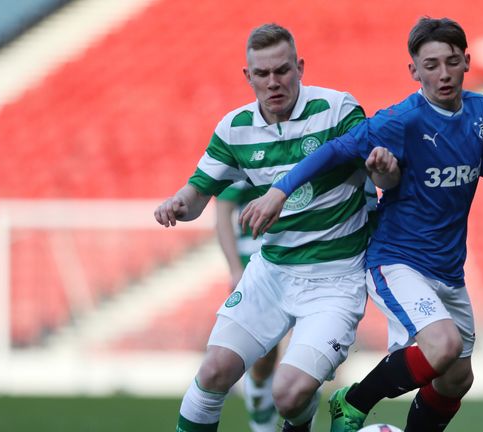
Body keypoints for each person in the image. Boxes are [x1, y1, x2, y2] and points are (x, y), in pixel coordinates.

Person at [239, 17, 483, 432]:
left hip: (449, 269)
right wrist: (280, 190)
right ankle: (353, 401)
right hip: (397, 260)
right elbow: (334, 151)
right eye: (431, 64)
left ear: (467, 62)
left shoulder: (482, 113)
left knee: (457, 378)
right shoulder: (402, 120)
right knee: (444, 348)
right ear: (414, 71)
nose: (443, 74)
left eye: (451, 62)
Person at [154, 23, 399, 432]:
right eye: (262, 74)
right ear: (247, 76)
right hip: (271, 273)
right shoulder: (234, 129)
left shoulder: (338, 110)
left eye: (282, 71)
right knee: (213, 372)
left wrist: (387, 173)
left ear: (300, 68)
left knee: (289, 393)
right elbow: (198, 194)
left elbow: (384, 182)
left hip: (334, 281)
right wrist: (178, 203)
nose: (273, 83)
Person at [215, 181, 279, 432]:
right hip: (254, 267)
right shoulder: (241, 150)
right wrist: (234, 269)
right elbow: (222, 215)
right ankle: (262, 423)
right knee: (265, 355)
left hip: (302, 261)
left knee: (304, 360)